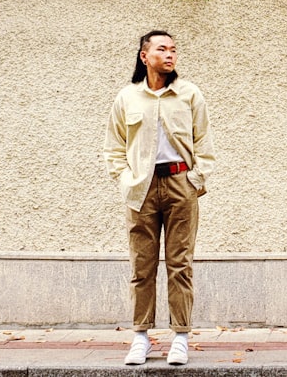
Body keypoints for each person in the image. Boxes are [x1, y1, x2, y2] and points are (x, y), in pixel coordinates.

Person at [103, 30, 216, 366]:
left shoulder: (189, 95)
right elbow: (113, 148)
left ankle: (180, 336)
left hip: (181, 185)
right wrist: (126, 180)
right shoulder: (127, 98)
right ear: (144, 55)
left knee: (180, 265)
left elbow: (205, 146)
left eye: (174, 50)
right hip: (141, 189)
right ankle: (141, 337)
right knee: (142, 267)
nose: (170, 55)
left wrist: (194, 181)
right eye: (162, 49)